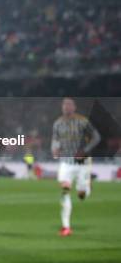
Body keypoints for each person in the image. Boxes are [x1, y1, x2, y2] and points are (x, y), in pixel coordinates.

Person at [51, 98, 101, 237]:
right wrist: (54, 149)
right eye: (64, 105)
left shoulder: (83, 121)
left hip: (82, 163)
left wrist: (85, 150)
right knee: (65, 189)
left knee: (81, 195)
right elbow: (55, 140)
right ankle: (66, 227)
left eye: (69, 105)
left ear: (74, 107)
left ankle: (87, 188)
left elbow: (96, 137)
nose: (66, 107)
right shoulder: (58, 123)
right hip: (66, 162)